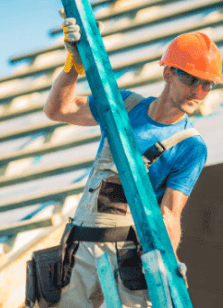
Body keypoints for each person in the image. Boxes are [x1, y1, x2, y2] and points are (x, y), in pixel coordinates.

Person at [40, 14, 223, 308]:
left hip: (128, 258)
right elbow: (58, 110)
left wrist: (168, 266)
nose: (198, 92)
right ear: (168, 74)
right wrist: (72, 66)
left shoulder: (190, 146)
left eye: (207, 85)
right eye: (191, 79)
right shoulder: (125, 105)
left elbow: (170, 214)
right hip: (81, 248)